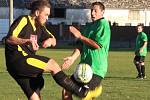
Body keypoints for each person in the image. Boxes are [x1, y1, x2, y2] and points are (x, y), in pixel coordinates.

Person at [5, 0, 88, 100]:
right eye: (46, 14)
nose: (47, 18)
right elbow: (10, 39)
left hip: (22, 67)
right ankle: (79, 91)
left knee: (35, 97)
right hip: (18, 60)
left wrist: (50, 40)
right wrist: (26, 41)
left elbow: (54, 40)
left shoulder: (40, 27)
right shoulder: (24, 20)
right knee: (52, 64)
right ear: (37, 13)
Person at [61, 2, 111, 100]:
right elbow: (81, 45)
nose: (92, 13)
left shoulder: (103, 24)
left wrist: (80, 36)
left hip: (96, 68)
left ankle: (94, 92)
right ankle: (93, 93)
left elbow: (97, 45)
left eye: (95, 11)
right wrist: (72, 58)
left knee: (85, 95)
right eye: (91, 10)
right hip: (83, 67)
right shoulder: (88, 26)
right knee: (66, 91)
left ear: (102, 12)